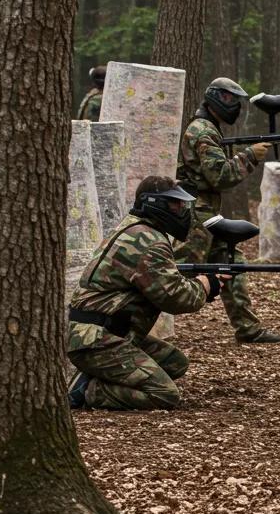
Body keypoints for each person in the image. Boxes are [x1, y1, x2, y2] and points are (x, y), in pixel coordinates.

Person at [67, 176, 221, 411]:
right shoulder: (147, 240)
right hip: (97, 341)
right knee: (164, 395)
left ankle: (95, 377)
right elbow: (176, 298)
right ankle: (87, 391)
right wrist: (205, 285)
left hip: (104, 333)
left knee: (174, 363)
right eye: (175, 204)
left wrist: (202, 284)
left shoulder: (137, 228)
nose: (181, 210)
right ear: (155, 204)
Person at [176, 77, 280, 343]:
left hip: (205, 208)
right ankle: (131, 322)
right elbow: (220, 177)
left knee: (229, 261)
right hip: (196, 211)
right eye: (227, 99)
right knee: (177, 272)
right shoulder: (203, 131)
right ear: (213, 97)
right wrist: (250, 156)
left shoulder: (208, 127)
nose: (233, 106)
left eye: (236, 101)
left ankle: (248, 328)